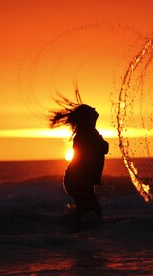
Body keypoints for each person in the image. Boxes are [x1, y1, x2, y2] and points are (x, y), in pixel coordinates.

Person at [49, 89, 109, 222]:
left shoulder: (87, 132)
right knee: (94, 214)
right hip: (79, 179)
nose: (94, 109)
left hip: (78, 178)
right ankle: (75, 231)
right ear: (88, 117)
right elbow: (104, 148)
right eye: (91, 110)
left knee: (88, 213)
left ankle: (74, 230)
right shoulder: (88, 133)